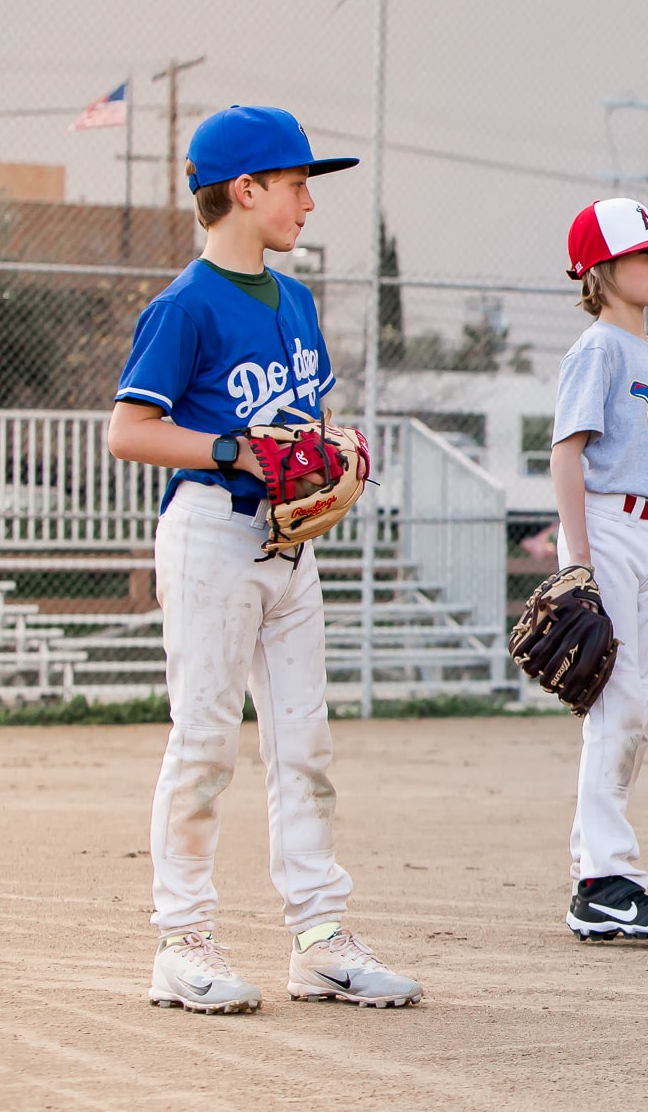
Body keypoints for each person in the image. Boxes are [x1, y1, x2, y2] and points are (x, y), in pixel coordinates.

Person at [107, 105, 422, 1014]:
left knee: (305, 745)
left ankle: (320, 938)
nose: (308, 202)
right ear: (245, 191)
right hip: (210, 534)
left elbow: (302, 427)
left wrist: (337, 454)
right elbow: (128, 430)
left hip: (289, 543)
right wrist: (230, 450)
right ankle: (183, 940)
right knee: (205, 742)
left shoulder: (295, 300)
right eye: (295, 184)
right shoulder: (184, 305)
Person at [551, 198, 648, 941]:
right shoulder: (599, 349)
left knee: (629, 705)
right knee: (617, 706)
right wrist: (576, 562)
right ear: (602, 271)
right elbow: (567, 455)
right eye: (645, 253)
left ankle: (596, 873)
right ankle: (606, 878)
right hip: (607, 526)